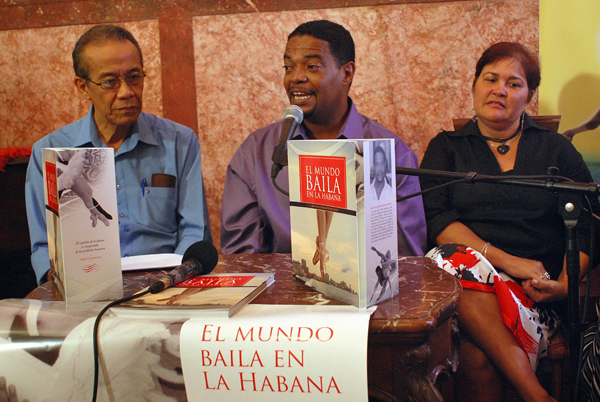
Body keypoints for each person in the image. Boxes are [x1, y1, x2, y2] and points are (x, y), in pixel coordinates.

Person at [419, 42, 599, 402]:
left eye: (514, 83)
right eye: (491, 78)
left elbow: (585, 226)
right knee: (452, 258)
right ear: (474, 85)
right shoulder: (446, 148)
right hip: (466, 301)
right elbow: (440, 222)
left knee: (476, 355)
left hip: (537, 303)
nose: (499, 89)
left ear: (529, 95)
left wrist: (564, 286)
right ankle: (535, 394)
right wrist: (512, 263)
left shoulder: (555, 149)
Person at [220, 19, 426, 256]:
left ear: (347, 73)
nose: (295, 77)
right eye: (288, 67)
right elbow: (242, 258)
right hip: (281, 291)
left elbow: (406, 260)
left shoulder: (391, 154)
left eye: (311, 67)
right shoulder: (256, 152)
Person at [26, 24, 210, 285]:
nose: (127, 92)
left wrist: (172, 283)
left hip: (167, 286)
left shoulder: (179, 142)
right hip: (86, 290)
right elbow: (45, 247)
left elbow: (194, 231)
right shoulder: (51, 153)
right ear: (83, 86)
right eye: (110, 82)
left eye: (134, 77)